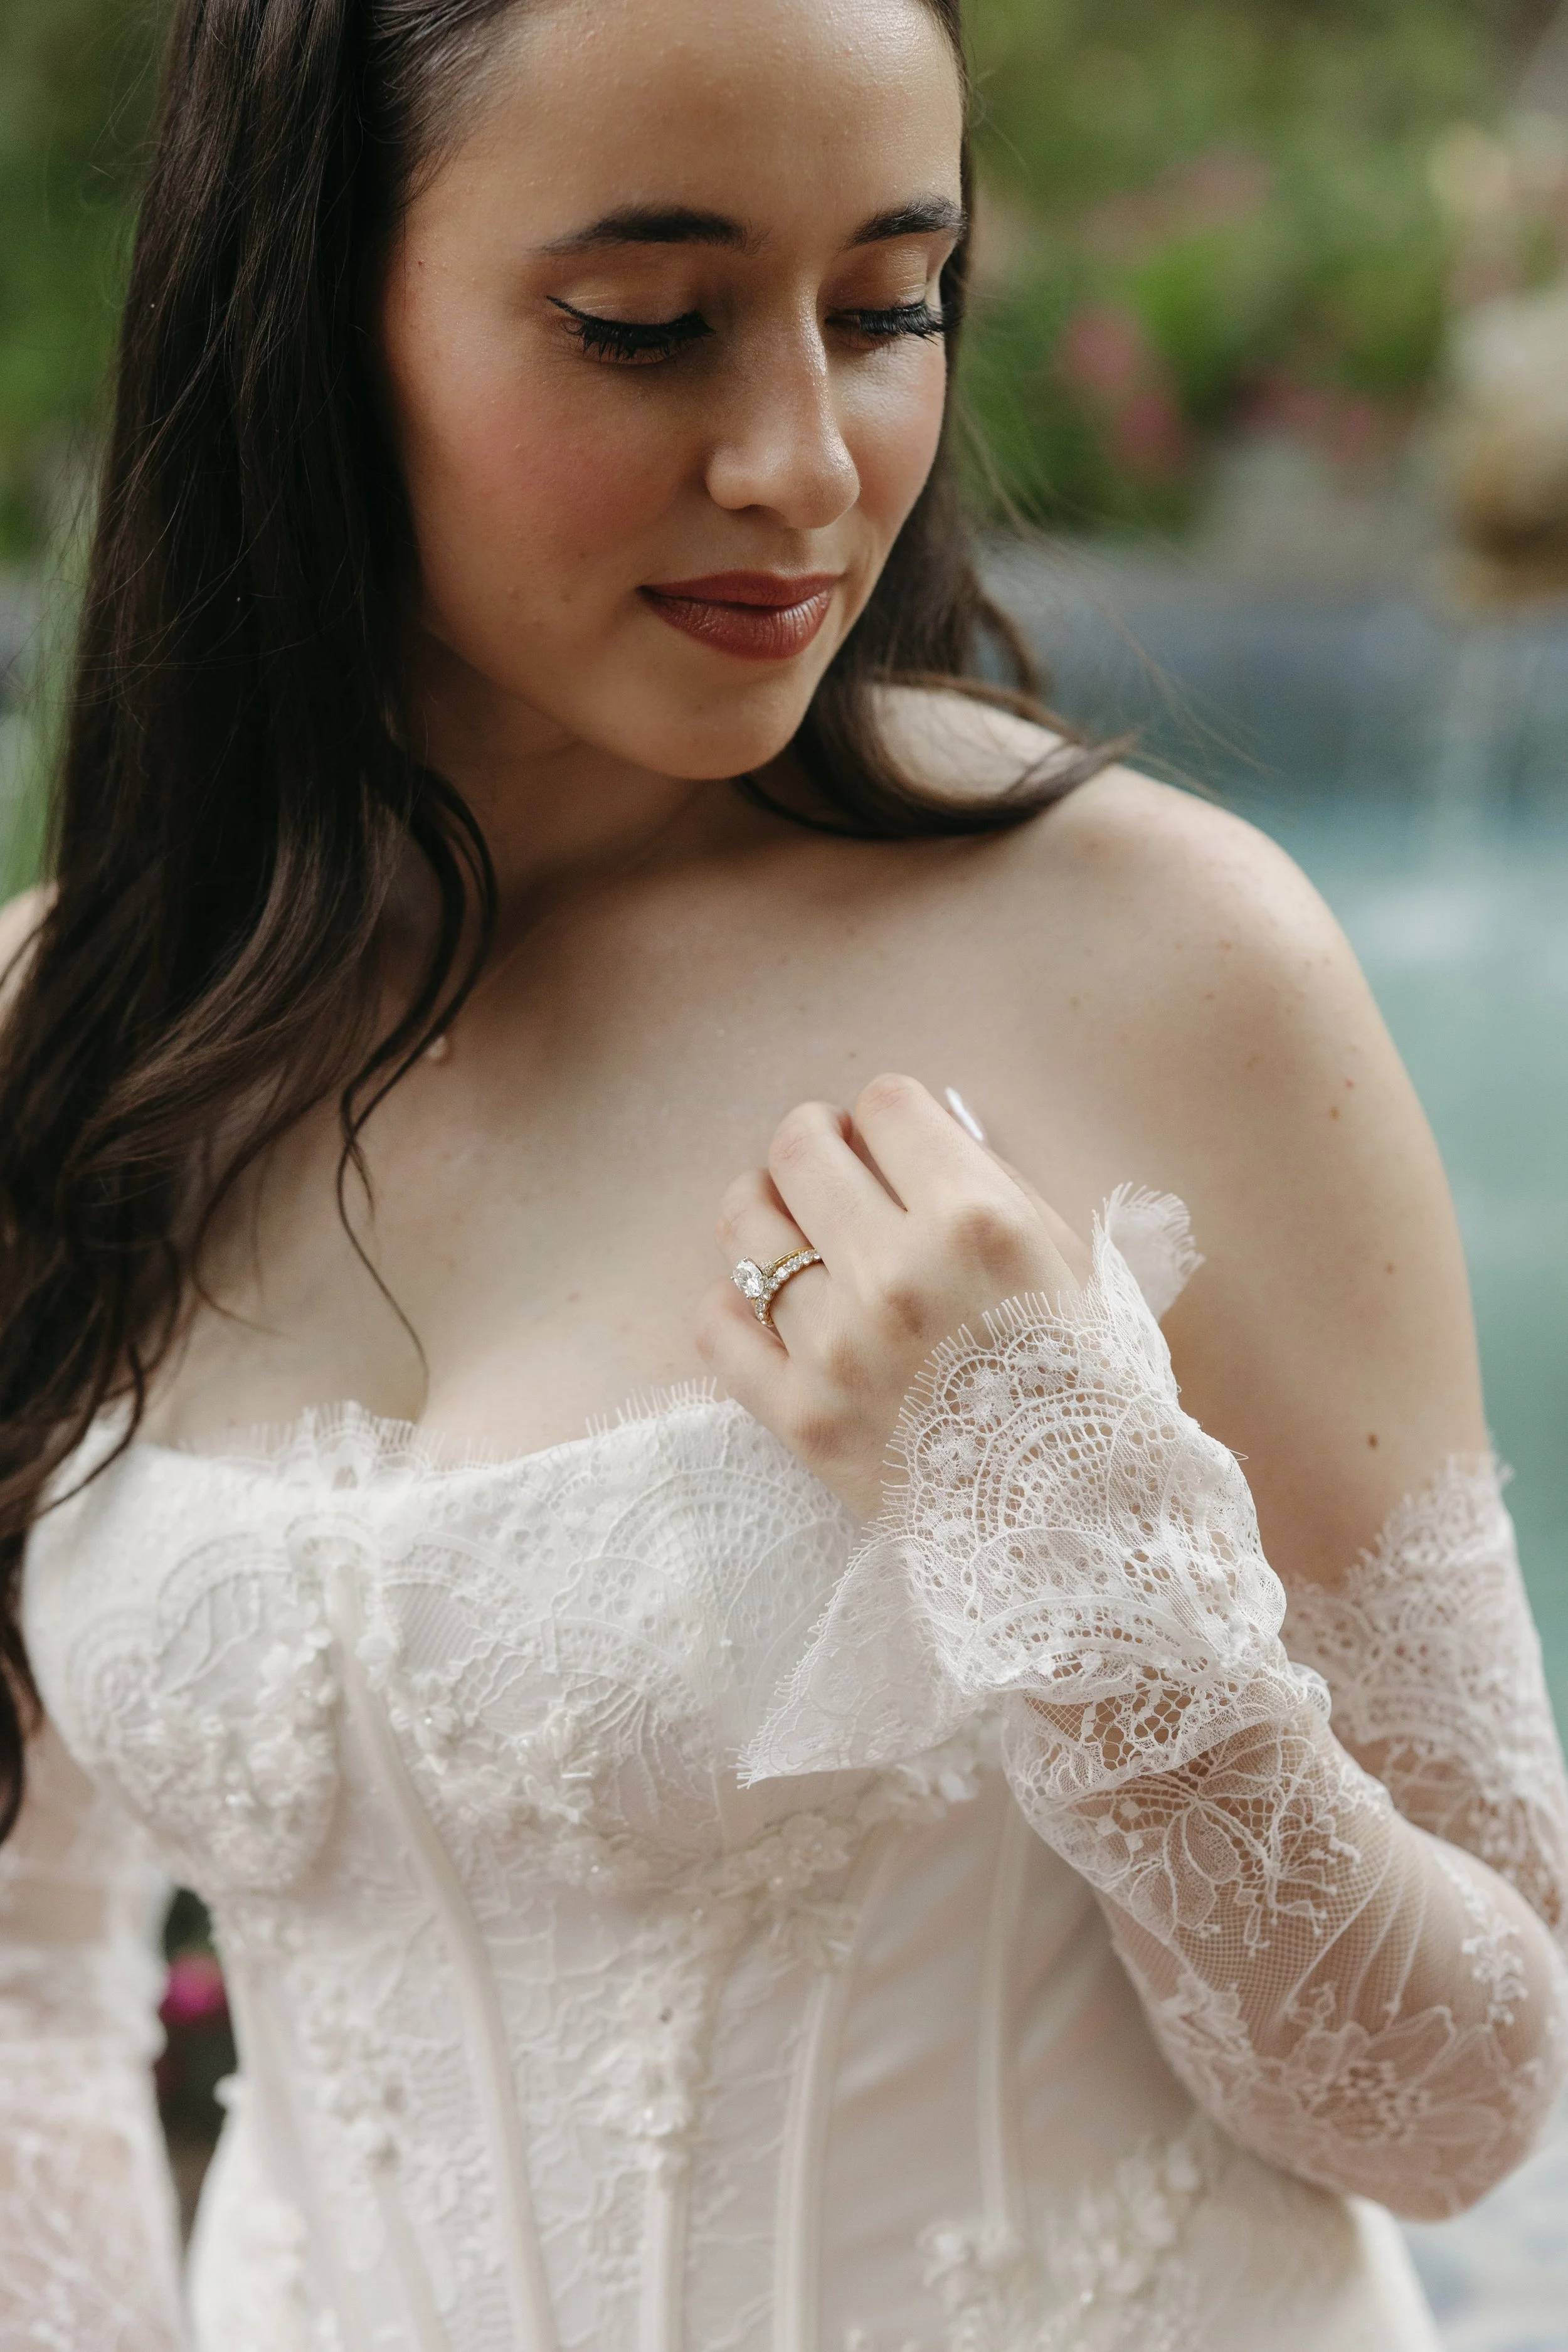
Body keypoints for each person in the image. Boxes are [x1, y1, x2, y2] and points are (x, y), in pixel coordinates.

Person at [1, 1, 1565, 2345]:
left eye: (887, 306)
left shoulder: (1169, 963)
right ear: (308, 311)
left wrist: (1073, 1534)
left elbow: (1462, 2105)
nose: (808, 464)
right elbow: (23, 1984)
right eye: (647, 326)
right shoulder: (80, 1041)